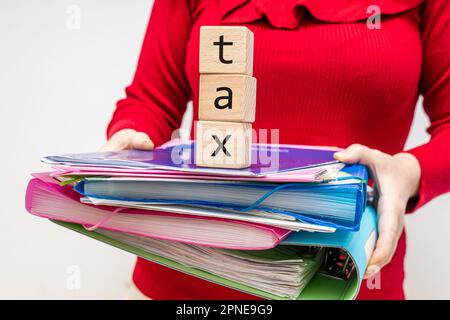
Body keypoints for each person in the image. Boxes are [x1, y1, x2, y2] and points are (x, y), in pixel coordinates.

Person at [101, 0, 450, 299]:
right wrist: (132, 135)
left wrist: (410, 171)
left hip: (345, 279)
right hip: (182, 272)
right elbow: (151, 99)